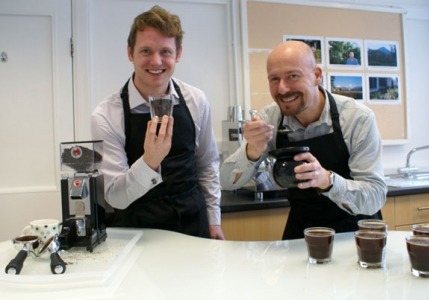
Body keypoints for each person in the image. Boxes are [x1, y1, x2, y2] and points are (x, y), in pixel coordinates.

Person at [220, 41, 387, 239]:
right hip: (302, 232)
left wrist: (326, 180)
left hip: (356, 235)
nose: (282, 89)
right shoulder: (270, 118)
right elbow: (227, 181)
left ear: (317, 75)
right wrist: (253, 150)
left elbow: (375, 196)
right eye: (274, 79)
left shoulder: (357, 119)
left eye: (293, 76)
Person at [91, 6, 224, 240]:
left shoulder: (197, 101)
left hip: (194, 226)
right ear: (130, 53)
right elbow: (115, 196)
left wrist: (214, 219)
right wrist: (150, 161)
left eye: (165, 51)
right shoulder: (106, 116)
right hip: (137, 233)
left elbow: (207, 166)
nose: (156, 61)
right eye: (146, 51)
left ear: (178, 53)